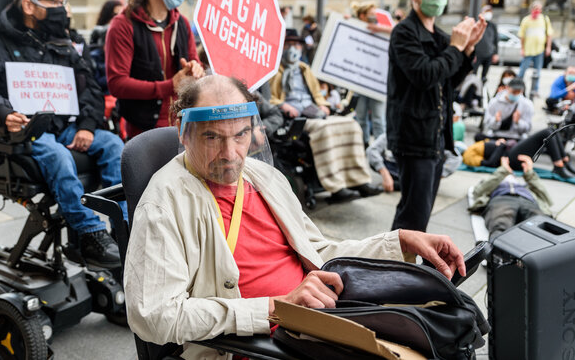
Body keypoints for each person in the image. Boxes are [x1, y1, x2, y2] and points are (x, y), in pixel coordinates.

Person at [124, 74, 466, 357]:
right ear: (184, 133)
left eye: (240, 134)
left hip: (316, 322)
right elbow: (154, 316)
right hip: (255, 346)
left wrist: (400, 241)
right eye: (212, 137)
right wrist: (275, 307)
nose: (229, 154)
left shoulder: (263, 177)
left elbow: (317, 252)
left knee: (439, 334)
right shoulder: (164, 203)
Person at [0, 0, 125, 268]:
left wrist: (87, 125)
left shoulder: (64, 44)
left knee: (114, 145)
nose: (61, 9)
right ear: (29, 5)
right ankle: (88, 232)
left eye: (63, 1)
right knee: (59, 156)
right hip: (29, 132)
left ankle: (124, 228)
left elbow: (91, 89)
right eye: (53, 2)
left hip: (68, 126)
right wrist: (3, 113)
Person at [386, 0, 486, 232]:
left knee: (421, 212)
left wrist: (467, 50)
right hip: (413, 136)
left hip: (435, 136)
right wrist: (456, 47)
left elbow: (448, 82)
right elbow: (425, 75)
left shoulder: (441, 37)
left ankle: (404, 265)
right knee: (413, 216)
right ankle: (397, 267)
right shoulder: (404, 33)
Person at [269, 29, 382, 202]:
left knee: (351, 125)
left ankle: (358, 180)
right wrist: (282, 105)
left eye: (297, 44)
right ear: (282, 47)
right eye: (289, 44)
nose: (293, 48)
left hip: (312, 110)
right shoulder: (274, 70)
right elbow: (269, 97)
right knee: (324, 129)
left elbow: (317, 93)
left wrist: (323, 104)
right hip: (294, 115)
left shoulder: (304, 69)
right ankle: (336, 188)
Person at [105, 0, 204, 139]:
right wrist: (169, 86)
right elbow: (117, 83)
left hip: (185, 126)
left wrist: (196, 69)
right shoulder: (123, 25)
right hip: (145, 132)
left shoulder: (182, 23)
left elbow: (195, 62)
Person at [468, 155, 552, 241]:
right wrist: (503, 170)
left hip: (528, 201)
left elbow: (547, 199)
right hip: (502, 199)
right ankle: (498, 249)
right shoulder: (494, 181)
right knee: (501, 224)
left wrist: (529, 173)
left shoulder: (525, 186)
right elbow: (478, 192)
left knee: (541, 224)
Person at [462, 129, 575, 178]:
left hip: (509, 151)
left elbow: (482, 139)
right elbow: (490, 163)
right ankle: (558, 165)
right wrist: (500, 146)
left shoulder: (470, 149)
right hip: (510, 159)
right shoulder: (467, 156)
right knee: (545, 133)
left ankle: (564, 161)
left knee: (550, 131)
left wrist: (498, 141)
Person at [351, 2, 388, 145]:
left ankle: (380, 148)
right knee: (361, 116)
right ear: (362, 16)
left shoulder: (383, 30)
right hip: (359, 80)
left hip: (377, 81)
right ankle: (364, 145)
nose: (375, 17)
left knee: (378, 118)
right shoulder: (354, 28)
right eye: (371, 14)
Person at [518, 0, 553, 97]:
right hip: (528, 50)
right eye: (535, 8)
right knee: (522, 71)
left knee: (537, 72)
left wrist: (548, 47)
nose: (537, 10)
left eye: (539, 9)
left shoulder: (545, 19)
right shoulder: (526, 20)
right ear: (531, 9)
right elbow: (522, 36)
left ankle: (535, 90)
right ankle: (518, 88)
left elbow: (549, 35)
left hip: (539, 50)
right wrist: (522, 48)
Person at [473, 5, 499, 82]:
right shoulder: (477, 24)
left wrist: (495, 53)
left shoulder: (493, 26)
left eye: (490, 12)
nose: (488, 14)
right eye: (486, 12)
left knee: (484, 76)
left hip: (488, 54)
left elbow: (496, 40)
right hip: (478, 54)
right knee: (473, 74)